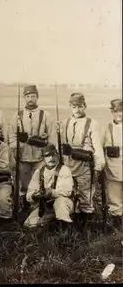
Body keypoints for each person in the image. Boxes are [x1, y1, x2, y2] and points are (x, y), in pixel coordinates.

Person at [60, 93, 104, 229]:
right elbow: (61, 145)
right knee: (69, 193)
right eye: (74, 106)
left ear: (85, 106)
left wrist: (97, 168)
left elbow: (97, 148)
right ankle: (70, 224)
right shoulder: (65, 122)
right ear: (70, 107)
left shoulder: (92, 124)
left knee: (86, 196)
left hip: (85, 166)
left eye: (80, 106)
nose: (77, 110)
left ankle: (85, 229)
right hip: (68, 165)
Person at [8, 84, 54, 212]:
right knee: (24, 185)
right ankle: (25, 207)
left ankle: (40, 208)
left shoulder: (45, 115)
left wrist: (47, 153)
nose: (30, 99)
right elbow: (11, 136)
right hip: (23, 157)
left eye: (33, 96)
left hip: (40, 157)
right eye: (28, 96)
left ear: (37, 97)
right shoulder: (17, 116)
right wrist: (16, 148)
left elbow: (52, 138)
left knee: (41, 183)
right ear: (24, 98)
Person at [23, 144, 74, 230]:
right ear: (43, 158)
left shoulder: (64, 169)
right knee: (28, 225)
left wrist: (51, 192)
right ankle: (50, 224)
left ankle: (65, 230)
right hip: (46, 206)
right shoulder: (39, 172)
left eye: (53, 155)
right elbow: (29, 194)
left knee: (60, 202)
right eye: (47, 156)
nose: (51, 158)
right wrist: (35, 195)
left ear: (58, 156)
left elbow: (66, 191)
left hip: (64, 203)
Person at [101, 99, 122, 229]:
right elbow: (100, 148)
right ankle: (117, 220)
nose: (118, 114)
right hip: (113, 168)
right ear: (112, 112)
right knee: (114, 195)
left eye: (121, 111)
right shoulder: (106, 128)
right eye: (115, 111)